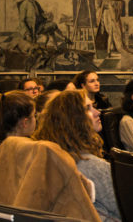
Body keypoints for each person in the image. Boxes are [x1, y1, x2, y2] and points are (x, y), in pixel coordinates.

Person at [33, 90, 121, 222]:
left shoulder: (50, 157)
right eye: (87, 108)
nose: (98, 112)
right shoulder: (93, 166)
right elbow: (126, 209)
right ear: (73, 119)